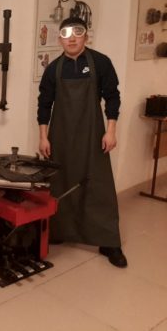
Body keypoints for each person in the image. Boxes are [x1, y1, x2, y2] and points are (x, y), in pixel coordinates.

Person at [37, 16, 128, 268]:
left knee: (98, 184)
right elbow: (44, 104)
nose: (72, 39)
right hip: (61, 136)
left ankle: (108, 241)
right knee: (61, 182)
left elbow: (112, 98)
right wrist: (43, 137)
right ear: (60, 40)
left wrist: (111, 131)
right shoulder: (53, 69)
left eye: (77, 33)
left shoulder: (101, 63)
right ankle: (59, 230)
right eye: (66, 34)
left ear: (86, 36)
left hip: (93, 134)